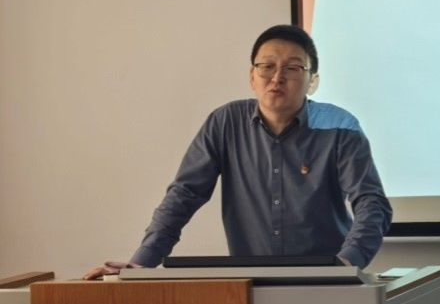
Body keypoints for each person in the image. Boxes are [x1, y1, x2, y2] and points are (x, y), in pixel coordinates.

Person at [84, 25, 392, 279]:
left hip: (329, 284)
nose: (277, 77)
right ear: (251, 77)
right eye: (267, 66)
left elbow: (372, 203)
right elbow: (183, 196)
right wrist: (141, 265)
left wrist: (346, 265)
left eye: (293, 68)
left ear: (312, 81)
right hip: (247, 288)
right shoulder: (225, 123)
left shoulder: (340, 127)